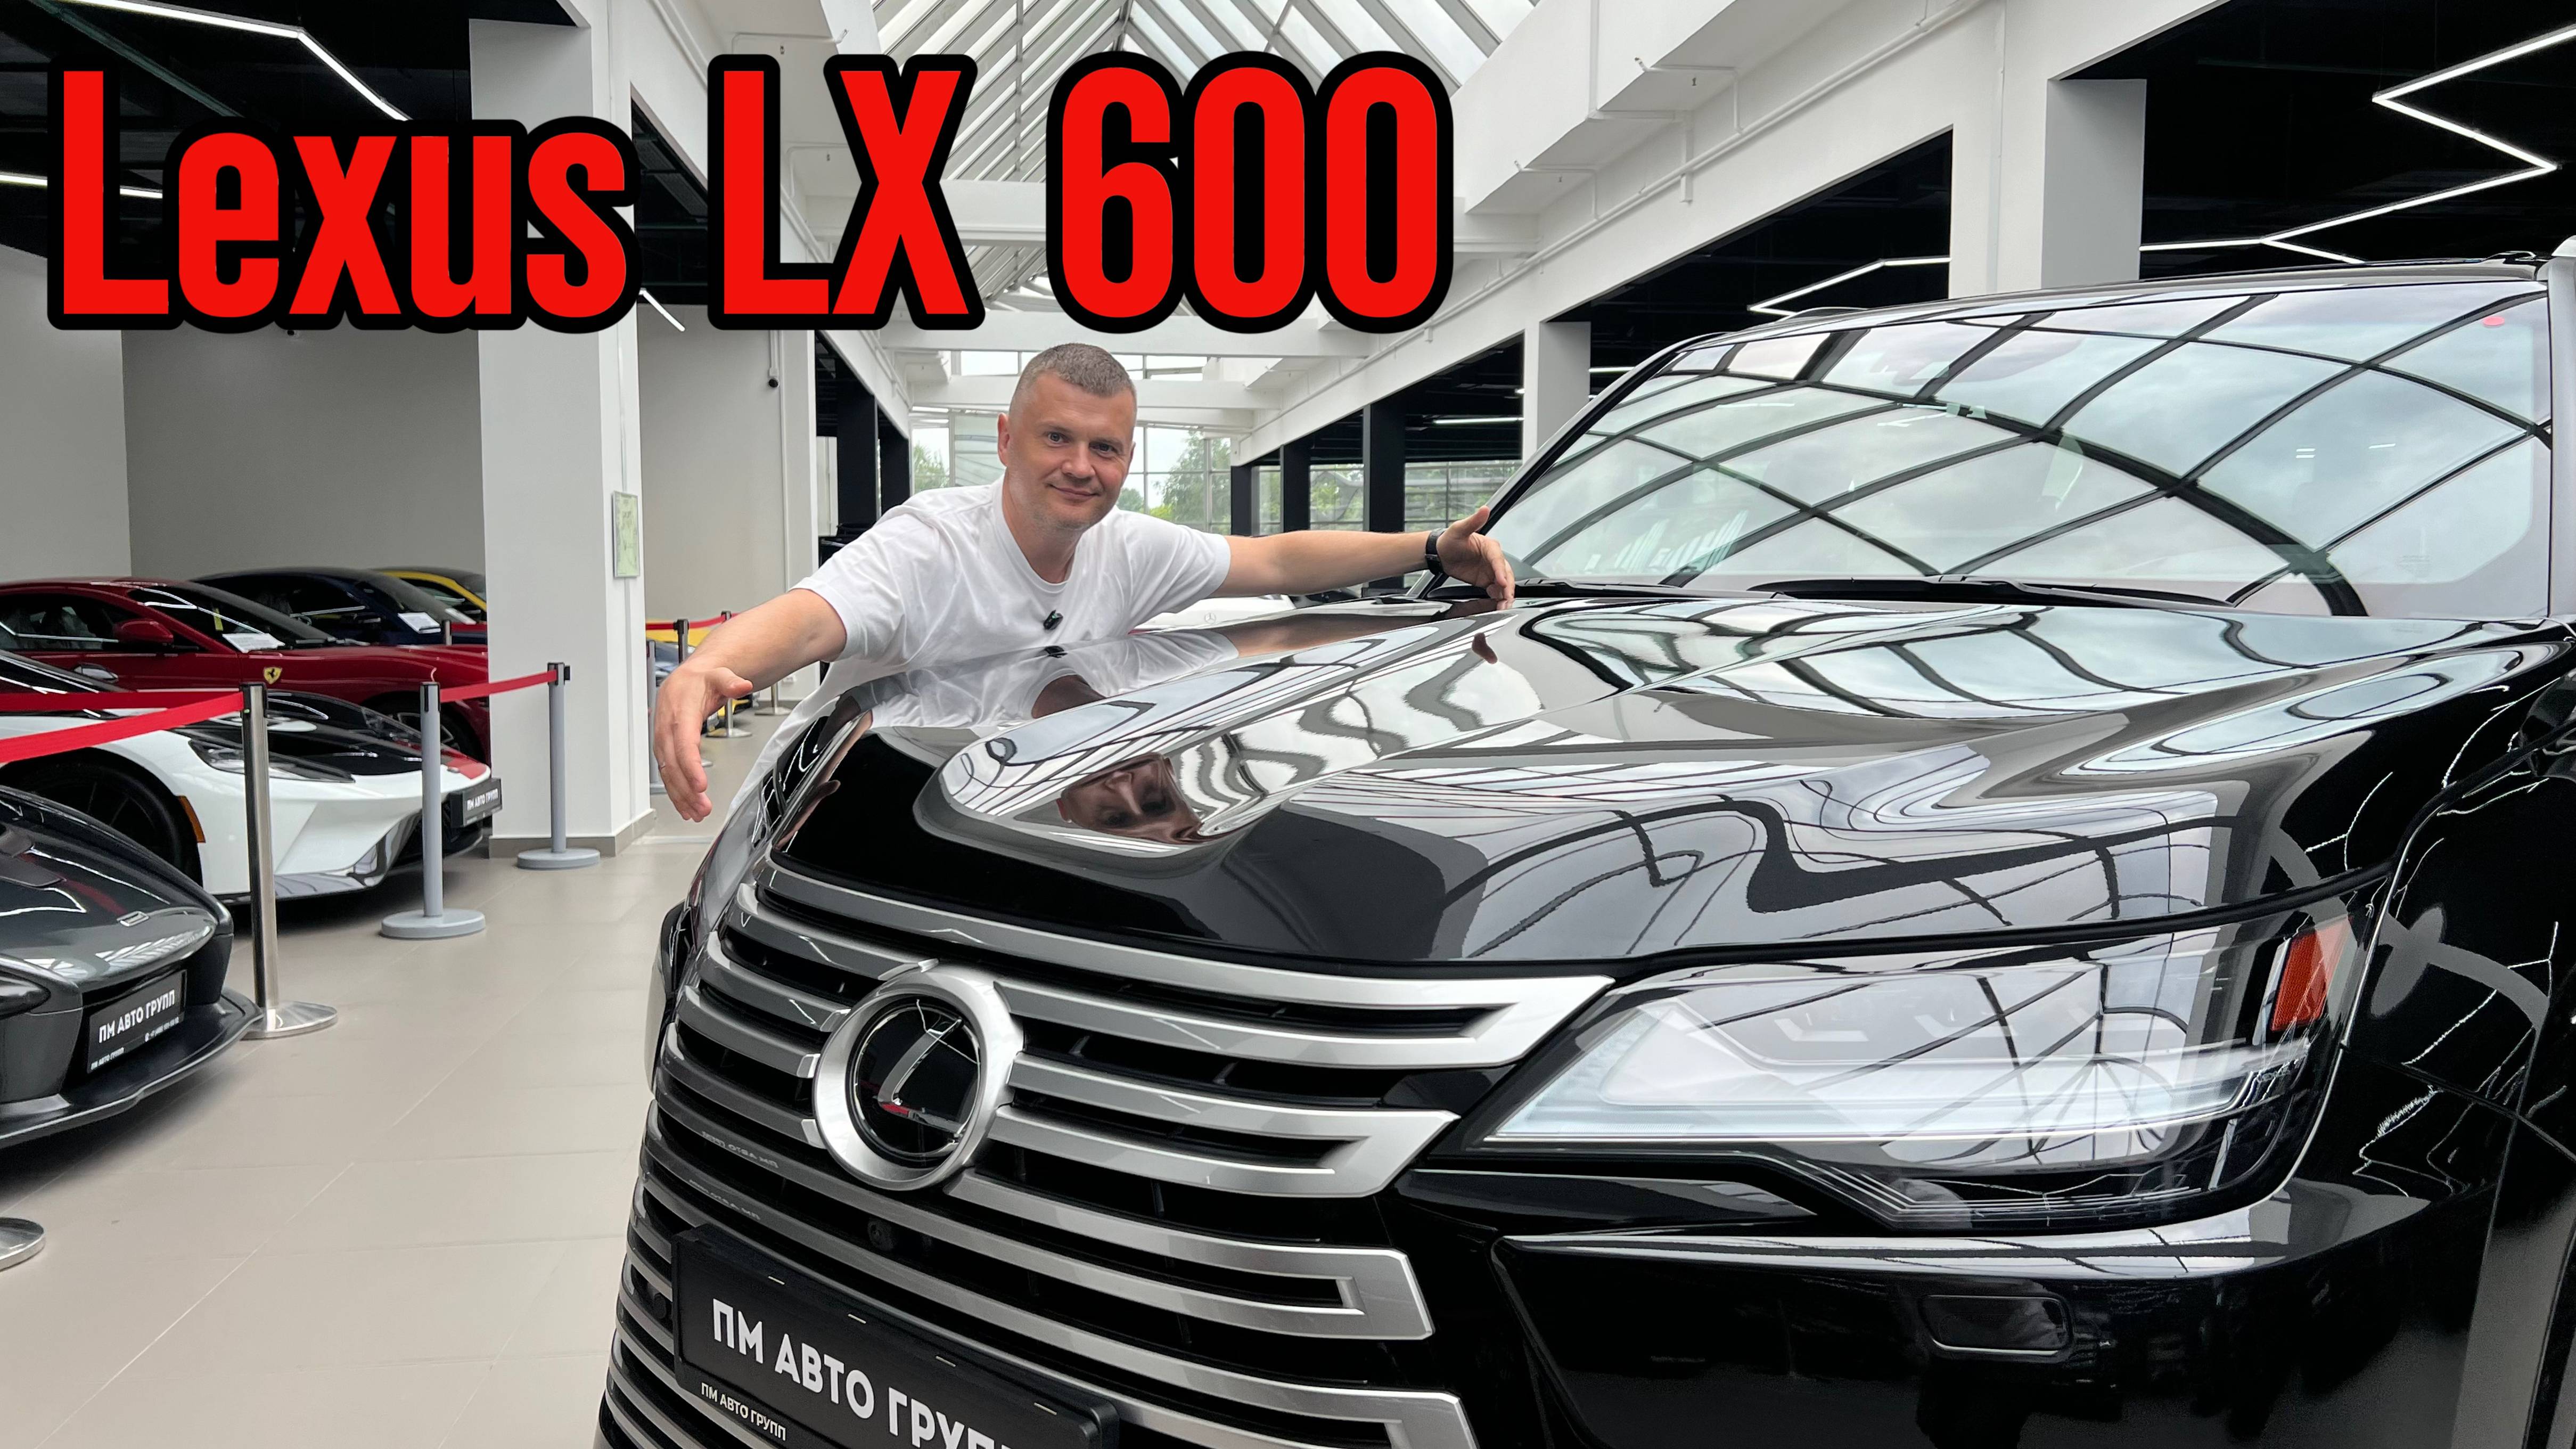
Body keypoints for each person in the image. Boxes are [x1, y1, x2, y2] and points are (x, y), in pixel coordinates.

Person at [654, 342, 1516, 820]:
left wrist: (1430, 548)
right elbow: (812, 617)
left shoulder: (1129, 548)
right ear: (1005, 439)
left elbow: (1278, 562)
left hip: (988, 802)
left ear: (1126, 458)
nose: (1080, 465)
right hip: (835, 805)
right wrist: (707, 668)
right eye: (1056, 438)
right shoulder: (930, 544)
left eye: (1104, 447)